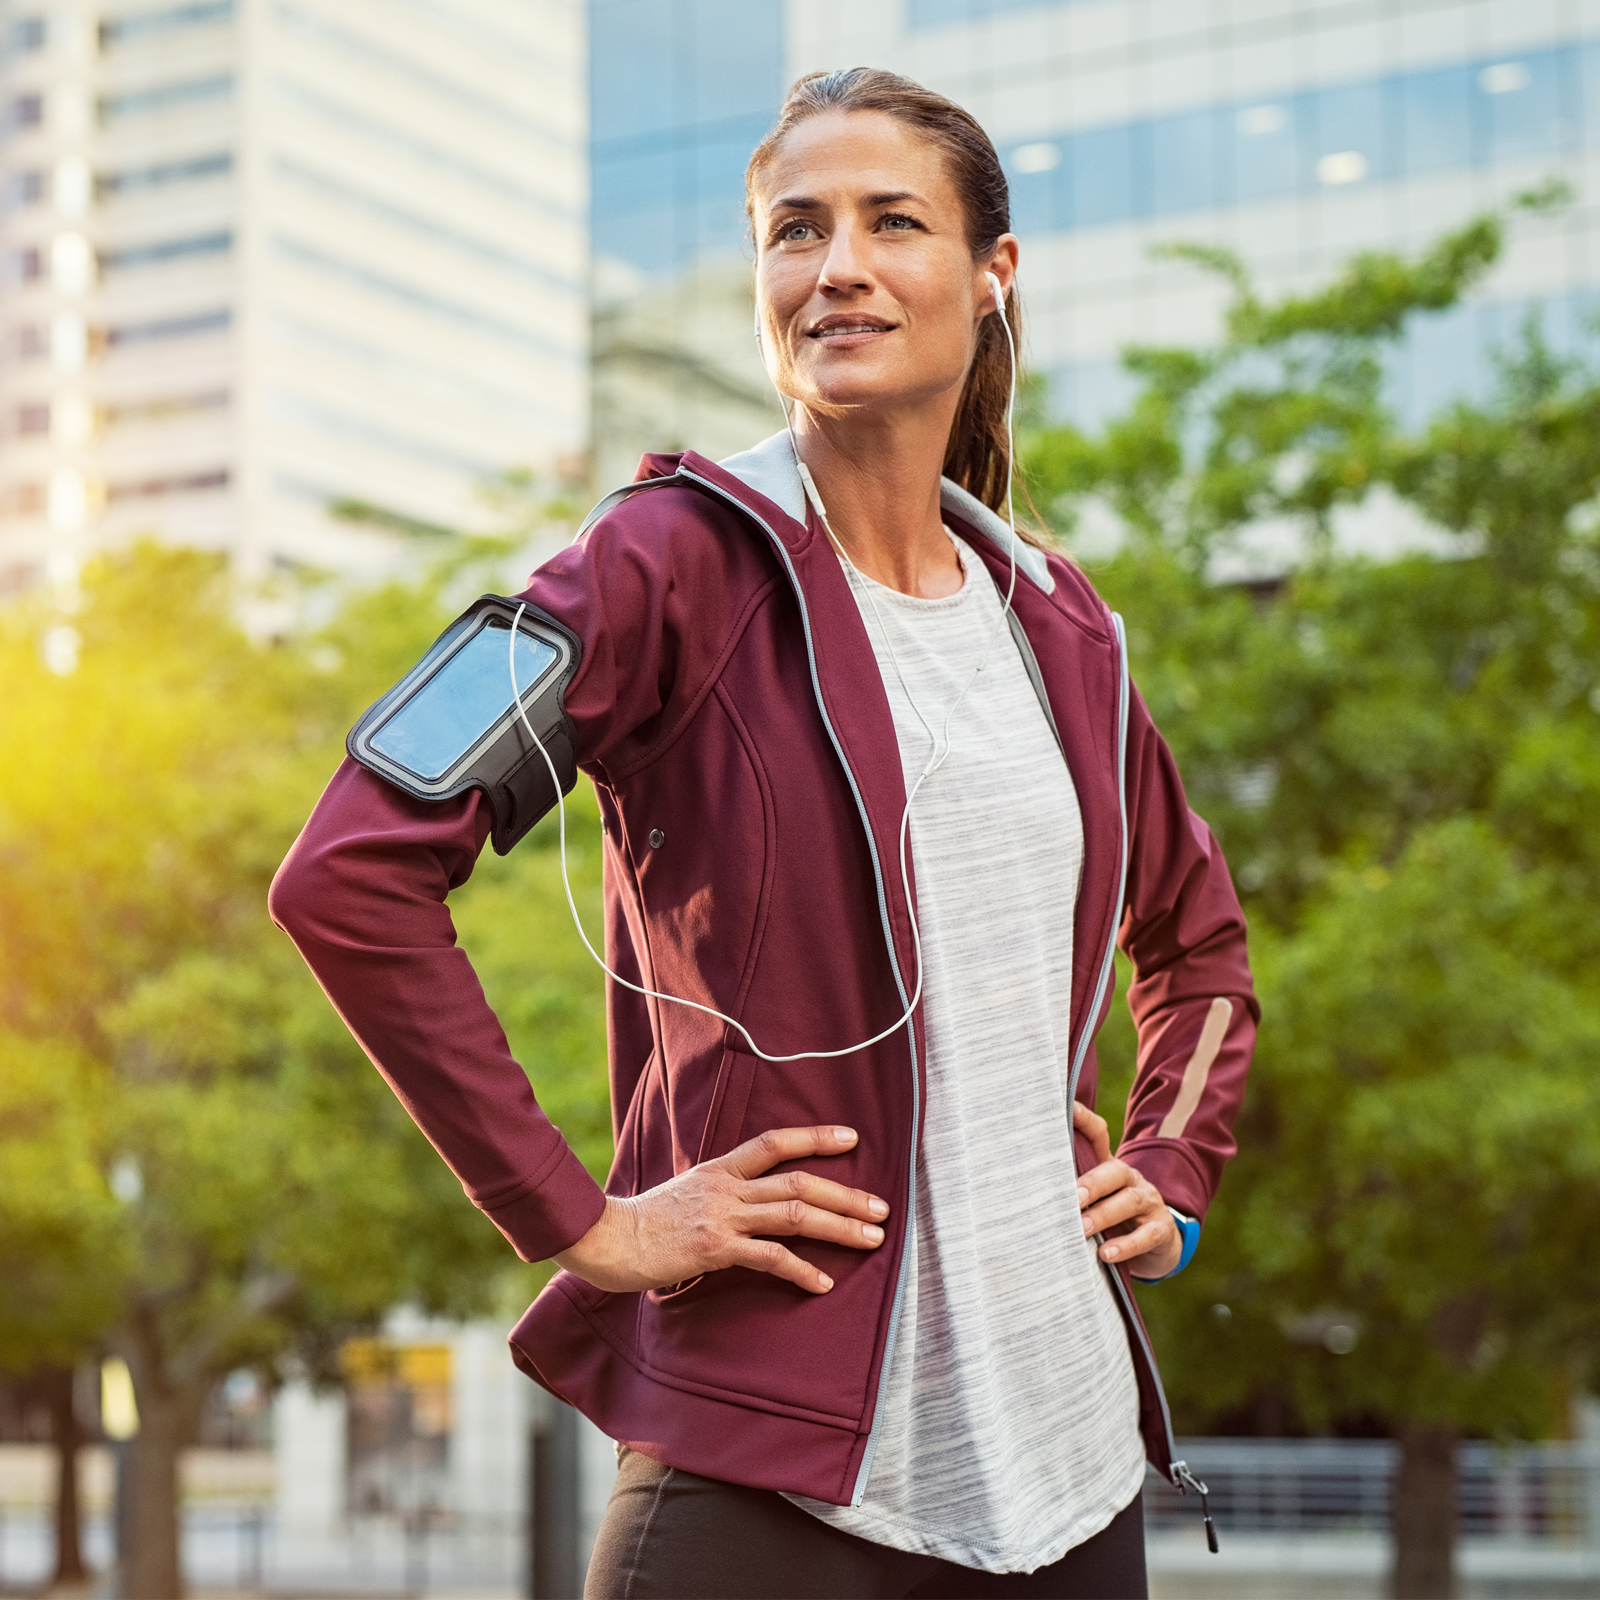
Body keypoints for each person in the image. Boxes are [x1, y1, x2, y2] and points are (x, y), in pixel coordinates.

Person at [271, 67, 1256, 1600]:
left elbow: (1197, 942)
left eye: (891, 222)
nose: (837, 264)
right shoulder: (657, 566)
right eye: (795, 230)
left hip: (1070, 1480)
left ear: (993, 276)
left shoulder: (1063, 629)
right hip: (774, 1477)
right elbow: (349, 877)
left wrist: (1173, 1171)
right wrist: (578, 1220)